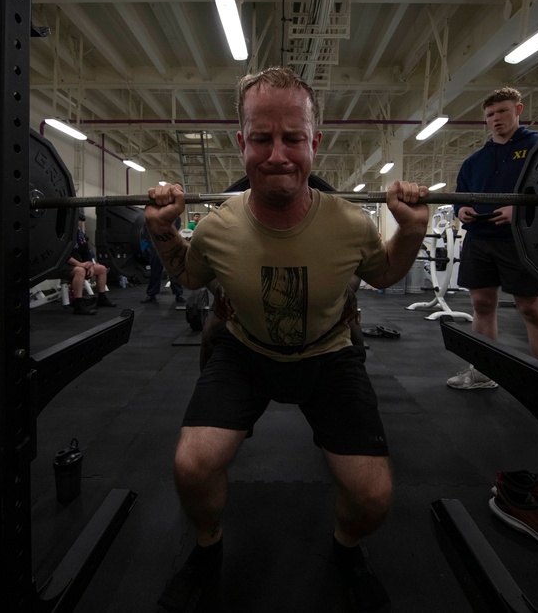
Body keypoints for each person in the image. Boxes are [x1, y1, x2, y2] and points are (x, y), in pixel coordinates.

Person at [144, 66, 429, 613]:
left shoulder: (350, 223)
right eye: (262, 138)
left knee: (373, 497)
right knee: (192, 466)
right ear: (241, 143)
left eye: (293, 138)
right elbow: (189, 277)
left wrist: (412, 230)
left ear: (314, 143)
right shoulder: (216, 226)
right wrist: (161, 231)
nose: (278, 154)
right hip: (243, 351)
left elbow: (387, 275)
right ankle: (207, 552)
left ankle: (345, 549)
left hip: (331, 354)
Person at [446, 87, 538, 389]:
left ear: (518, 110)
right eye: (490, 115)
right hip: (479, 240)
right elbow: (459, 196)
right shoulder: (475, 161)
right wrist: (461, 210)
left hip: (519, 240)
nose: (496, 119)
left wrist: (519, 210)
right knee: (481, 305)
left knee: (532, 308)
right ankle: (483, 372)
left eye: (503, 112)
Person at [61, 213, 116, 315]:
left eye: (81, 221)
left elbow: (87, 253)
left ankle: (102, 298)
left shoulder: (80, 236)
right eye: (78, 221)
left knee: (101, 269)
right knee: (80, 271)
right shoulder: (64, 235)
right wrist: (81, 265)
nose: (80, 223)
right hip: (64, 266)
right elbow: (64, 256)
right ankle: (78, 304)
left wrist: (90, 265)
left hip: (79, 265)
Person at [140, 217, 185, 305]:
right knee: (155, 271)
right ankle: (151, 294)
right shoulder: (152, 214)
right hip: (156, 245)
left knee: (174, 270)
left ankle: (179, 294)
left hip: (170, 245)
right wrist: (149, 245)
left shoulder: (174, 214)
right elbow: (146, 231)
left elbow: (174, 229)